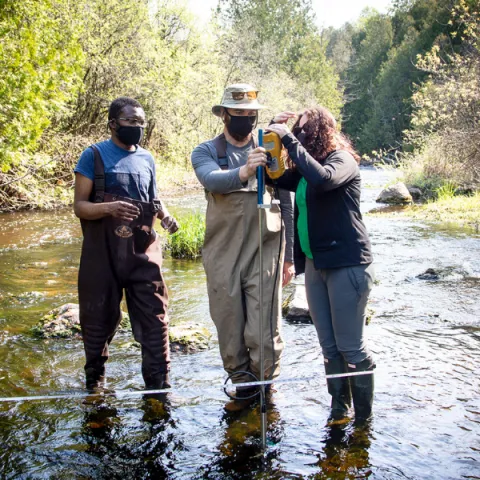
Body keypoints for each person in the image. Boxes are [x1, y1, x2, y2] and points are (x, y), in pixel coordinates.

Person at [266, 106, 376, 424]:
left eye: (303, 130)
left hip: (347, 264)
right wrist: (273, 131)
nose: (298, 134)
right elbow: (276, 176)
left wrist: (289, 139)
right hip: (316, 266)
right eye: (296, 130)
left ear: (318, 131)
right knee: (328, 346)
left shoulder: (341, 161)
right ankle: (340, 409)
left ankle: (364, 420)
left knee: (350, 347)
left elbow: (324, 180)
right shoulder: (304, 171)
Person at [191, 84, 295, 411]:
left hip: (265, 252)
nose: (246, 121)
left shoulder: (271, 149)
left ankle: (266, 390)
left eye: (251, 115)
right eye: (239, 115)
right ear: (224, 115)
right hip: (222, 255)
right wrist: (246, 170)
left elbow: (288, 203)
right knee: (229, 328)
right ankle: (242, 387)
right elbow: (212, 180)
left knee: (264, 333)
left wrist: (290, 258)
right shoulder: (205, 151)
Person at [73, 96, 178, 392]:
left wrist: (166, 216)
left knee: (156, 325)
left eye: (141, 123)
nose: (137, 127)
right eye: (131, 121)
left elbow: (154, 200)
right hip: (101, 257)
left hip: (143, 255)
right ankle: (95, 389)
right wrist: (110, 208)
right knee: (96, 326)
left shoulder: (147, 159)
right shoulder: (92, 156)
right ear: (113, 124)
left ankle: (159, 393)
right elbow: (80, 206)